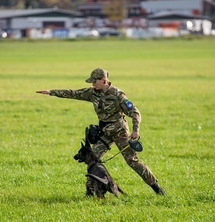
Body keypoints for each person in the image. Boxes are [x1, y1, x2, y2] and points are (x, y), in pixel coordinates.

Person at [36, 68, 166, 196]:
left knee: (132, 161)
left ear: (104, 80)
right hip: (105, 132)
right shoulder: (93, 93)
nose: (92, 84)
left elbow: (135, 112)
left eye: (94, 81)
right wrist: (52, 92)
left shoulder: (118, 95)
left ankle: (156, 187)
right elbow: (73, 93)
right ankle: (90, 191)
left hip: (120, 132)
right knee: (92, 158)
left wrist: (136, 130)